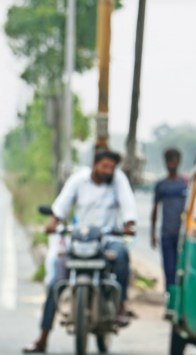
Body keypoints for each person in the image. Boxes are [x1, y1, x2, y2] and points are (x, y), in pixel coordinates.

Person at [23, 149, 137, 353]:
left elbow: (128, 205)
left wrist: (129, 223)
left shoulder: (118, 180)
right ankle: (42, 338)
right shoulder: (78, 180)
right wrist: (52, 223)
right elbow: (61, 206)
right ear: (94, 164)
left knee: (121, 255)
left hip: (107, 240)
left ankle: (120, 305)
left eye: (111, 167)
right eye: (104, 166)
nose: (108, 170)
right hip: (79, 239)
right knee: (56, 281)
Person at [151, 148, 188, 292]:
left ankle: (181, 297)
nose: (171, 165)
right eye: (169, 162)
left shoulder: (185, 183)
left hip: (183, 234)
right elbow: (155, 209)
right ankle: (170, 298)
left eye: (174, 161)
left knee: (182, 267)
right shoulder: (161, 185)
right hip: (166, 233)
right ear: (165, 163)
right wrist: (152, 233)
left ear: (178, 162)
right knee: (169, 268)